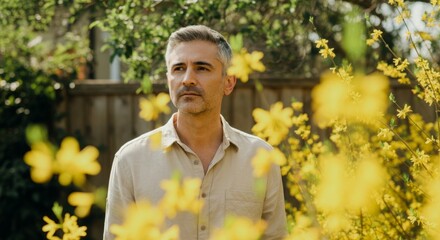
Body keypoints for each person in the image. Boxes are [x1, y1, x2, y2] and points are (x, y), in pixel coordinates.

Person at [103, 25, 287, 239]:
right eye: (178, 68)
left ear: (228, 82)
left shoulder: (260, 158)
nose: (187, 79)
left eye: (201, 68)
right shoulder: (130, 160)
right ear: (168, 79)